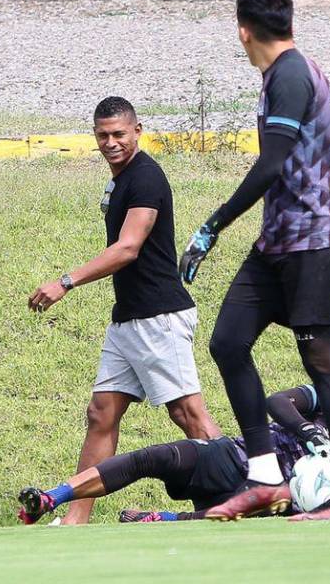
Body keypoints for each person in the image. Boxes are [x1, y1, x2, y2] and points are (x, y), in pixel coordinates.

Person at [179, 0, 330, 521]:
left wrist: (212, 226)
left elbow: (271, 164)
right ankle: (263, 475)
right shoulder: (280, 74)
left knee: (322, 358)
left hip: (317, 241)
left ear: (242, 30)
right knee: (229, 342)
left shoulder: (289, 74)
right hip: (278, 242)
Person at [28, 96, 220, 524]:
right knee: (102, 414)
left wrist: (65, 282)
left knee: (189, 415)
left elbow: (128, 248)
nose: (111, 142)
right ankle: (76, 518)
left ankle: (243, 494)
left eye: (119, 134)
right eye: (103, 135)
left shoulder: (146, 178)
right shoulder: (119, 179)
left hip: (158, 317)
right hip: (129, 319)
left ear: (138, 130)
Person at [16, 388, 330, 524]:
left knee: (265, 502)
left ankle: (162, 519)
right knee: (154, 458)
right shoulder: (329, 401)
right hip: (234, 457)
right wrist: (309, 431)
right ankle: (53, 498)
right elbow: (276, 402)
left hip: (267, 497)